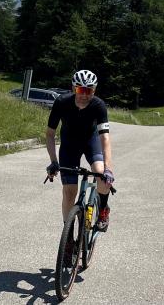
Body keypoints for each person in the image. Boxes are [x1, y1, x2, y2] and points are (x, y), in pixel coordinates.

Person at [45, 69, 114, 248]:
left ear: (94, 91)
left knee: (100, 174)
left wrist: (108, 168)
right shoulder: (61, 102)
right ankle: (68, 237)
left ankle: (103, 209)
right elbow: (50, 134)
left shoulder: (98, 105)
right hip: (69, 145)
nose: (84, 95)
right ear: (73, 88)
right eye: (80, 90)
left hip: (91, 142)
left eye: (88, 91)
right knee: (69, 191)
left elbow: (105, 138)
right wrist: (53, 161)